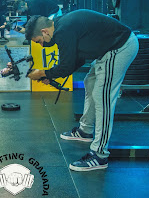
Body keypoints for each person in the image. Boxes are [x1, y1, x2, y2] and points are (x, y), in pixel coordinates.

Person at [24, 10, 139, 171]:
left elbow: (65, 65)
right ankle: (85, 131)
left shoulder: (63, 30)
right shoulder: (61, 26)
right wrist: (51, 76)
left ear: (44, 31)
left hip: (120, 48)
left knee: (103, 97)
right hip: (107, 51)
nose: (42, 45)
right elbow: (76, 59)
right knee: (90, 82)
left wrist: (43, 73)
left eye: (39, 41)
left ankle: (99, 155)